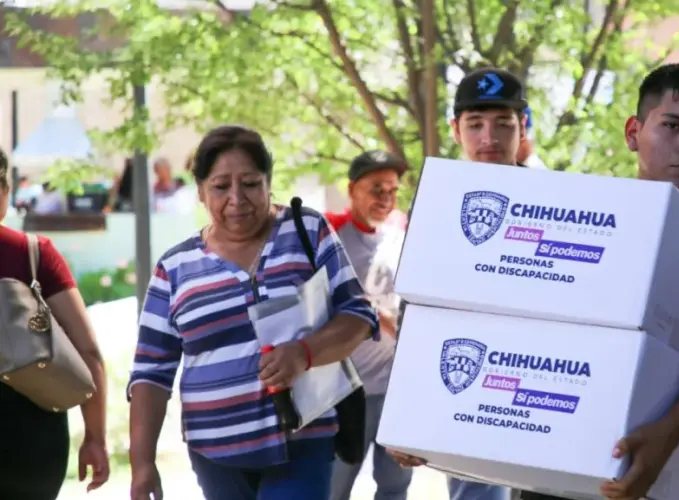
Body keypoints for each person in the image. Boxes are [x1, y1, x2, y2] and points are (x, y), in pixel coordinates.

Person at [522, 63, 679, 500]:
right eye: (672, 125)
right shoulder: (587, 220)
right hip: (568, 443)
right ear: (632, 133)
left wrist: (668, 432)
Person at [127, 125, 380, 500]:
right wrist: (142, 462)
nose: (236, 199)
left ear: (268, 182)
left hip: (304, 441)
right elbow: (151, 371)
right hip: (215, 452)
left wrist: (304, 353)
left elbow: (358, 313)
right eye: (220, 186)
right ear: (199, 191)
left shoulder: (307, 230)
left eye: (249, 183)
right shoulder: (175, 267)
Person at [387, 67, 535, 500]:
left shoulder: (554, 200)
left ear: (522, 126)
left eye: (503, 123)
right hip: (472, 387)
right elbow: (414, 310)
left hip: (540, 387)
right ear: (455, 130)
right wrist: (404, 415)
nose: (489, 136)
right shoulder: (437, 202)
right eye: (475, 124)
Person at [0, 147, 110, 499]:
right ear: (4, 193)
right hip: (33, 443)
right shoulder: (33, 254)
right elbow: (88, 351)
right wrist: (95, 437)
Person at [327, 150, 413, 500]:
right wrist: (378, 318)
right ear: (352, 190)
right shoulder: (332, 233)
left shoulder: (403, 230)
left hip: (398, 388)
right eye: (377, 188)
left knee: (395, 486)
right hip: (346, 389)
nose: (386, 198)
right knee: (335, 485)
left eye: (392, 189)